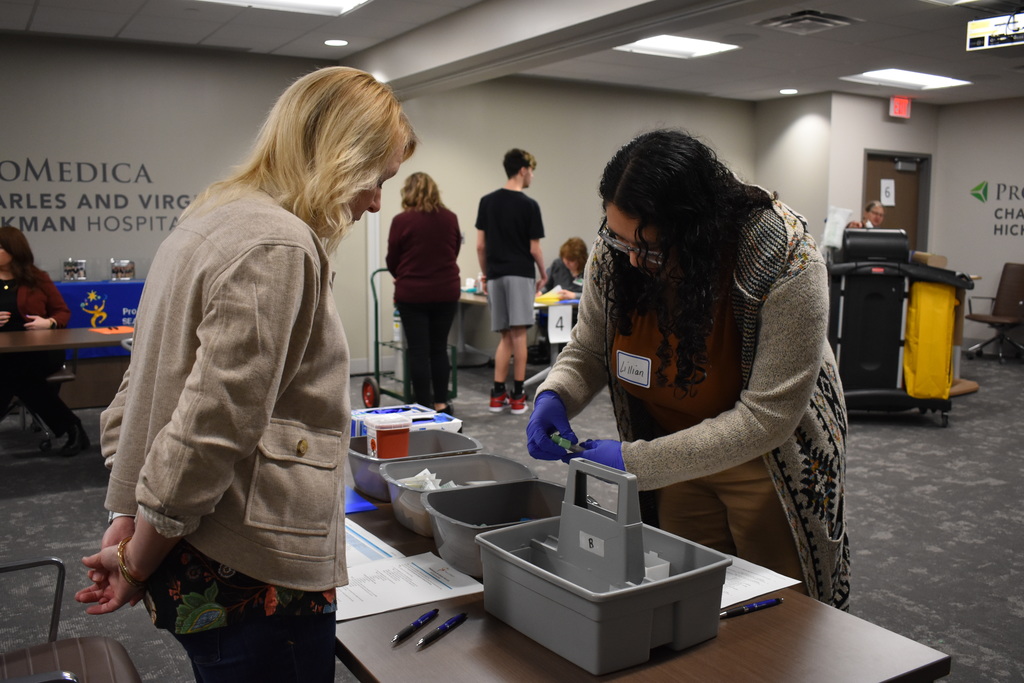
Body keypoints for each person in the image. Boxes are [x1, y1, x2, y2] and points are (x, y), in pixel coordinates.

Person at [73, 66, 416, 682]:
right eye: (377, 178)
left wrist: (128, 522)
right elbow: (211, 427)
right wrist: (134, 562)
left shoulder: (216, 214)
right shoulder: (278, 245)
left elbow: (148, 382)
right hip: (248, 561)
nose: (375, 201)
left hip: (192, 539)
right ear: (342, 154)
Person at [525, 130, 849, 609]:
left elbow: (767, 418)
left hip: (768, 463)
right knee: (691, 596)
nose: (633, 258)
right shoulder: (620, 248)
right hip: (677, 448)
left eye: (650, 249)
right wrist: (555, 394)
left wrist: (635, 462)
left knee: (780, 612)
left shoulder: (784, 257)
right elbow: (590, 347)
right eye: (619, 240)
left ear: (696, 230)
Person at [0, 226, 89, 456]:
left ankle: (72, 428)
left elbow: (62, 313)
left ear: (14, 250)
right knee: (16, 376)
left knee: (10, 373)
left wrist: (48, 323)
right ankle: (72, 427)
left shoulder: (37, 278)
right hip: (5, 354)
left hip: (39, 351)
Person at [476, 148, 547, 415]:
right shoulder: (529, 205)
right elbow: (534, 249)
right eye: (531, 171)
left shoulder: (487, 202)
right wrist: (544, 274)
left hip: (495, 274)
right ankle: (517, 395)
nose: (532, 176)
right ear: (523, 170)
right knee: (519, 335)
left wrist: (485, 274)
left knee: (505, 336)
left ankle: (496, 395)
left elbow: (480, 247)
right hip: (519, 273)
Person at [386, 172, 461, 413]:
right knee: (439, 348)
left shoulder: (401, 220)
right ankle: (441, 403)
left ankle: (422, 407)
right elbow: (454, 250)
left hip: (412, 295)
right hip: (446, 292)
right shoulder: (451, 218)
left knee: (418, 351)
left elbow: (392, 259)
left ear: (407, 193)